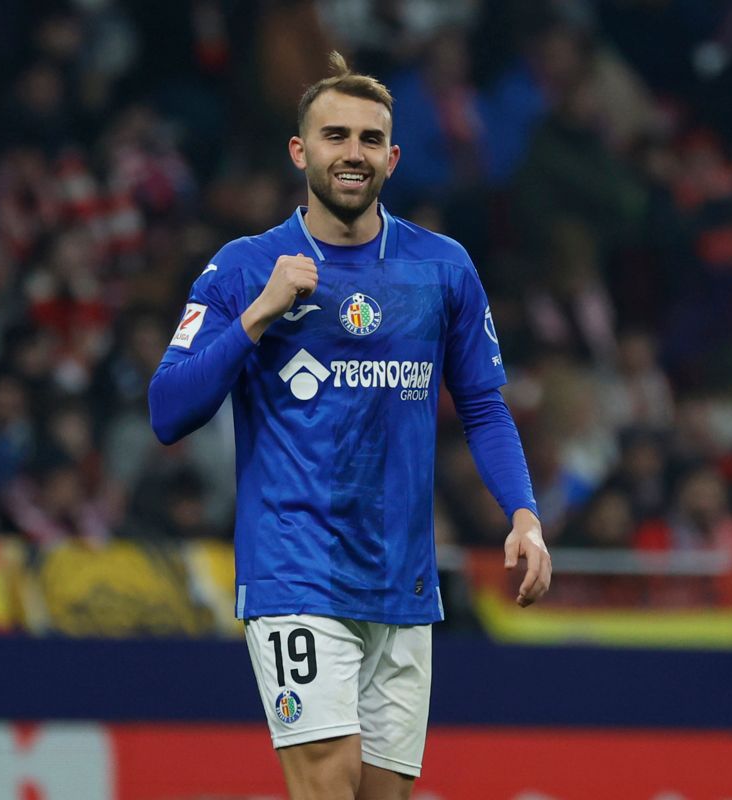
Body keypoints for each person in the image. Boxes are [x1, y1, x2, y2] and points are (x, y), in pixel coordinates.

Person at [148, 52, 550, 800]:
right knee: (328, 785)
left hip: (403, 581)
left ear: (393, 158)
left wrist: (523, 514)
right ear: (301, 151)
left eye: (369, 140)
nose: (353, 153)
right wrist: (258, 318)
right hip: (295, 570)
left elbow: (486, 407)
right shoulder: (245, 268)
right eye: (335, 136)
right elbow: (168, 409)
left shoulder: (442, 269)